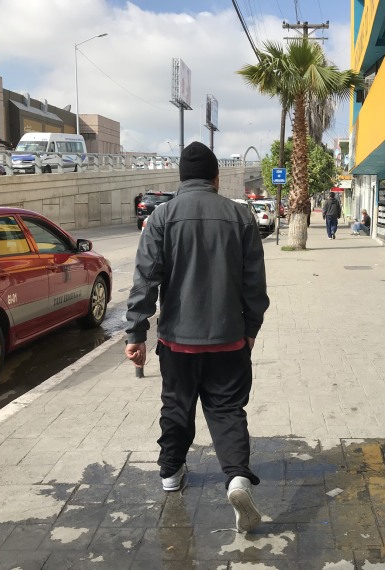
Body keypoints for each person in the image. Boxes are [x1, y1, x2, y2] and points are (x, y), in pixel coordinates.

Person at [124, 141, 270, 533]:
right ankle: (237, 478)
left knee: (177, 406)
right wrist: (251, 329)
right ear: (216, 178)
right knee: (227, 411)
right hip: (229, 340)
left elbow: (145, 281)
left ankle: (171, 473)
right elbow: (254, 283)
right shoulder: (240, 216)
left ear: (182, 179)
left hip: (177, 342)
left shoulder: (161, 217)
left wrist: (136, 333)